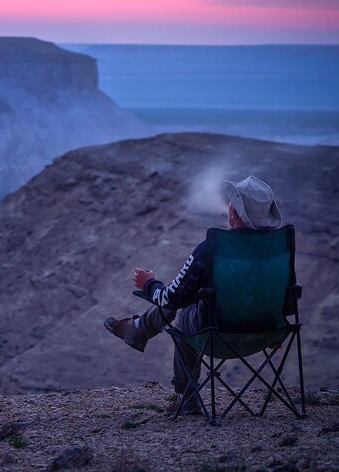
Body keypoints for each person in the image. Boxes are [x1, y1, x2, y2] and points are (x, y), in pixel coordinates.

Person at [103, 175, 283, 416]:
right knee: (195, 297)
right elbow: (287, 296)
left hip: (217, 334)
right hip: (267, 333)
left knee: (184, 307)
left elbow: (171, 299)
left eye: (232, 203)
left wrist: (149, 284)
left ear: (235, 214)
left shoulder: (213, 247)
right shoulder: (279, 248)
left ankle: (185, 394)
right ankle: (137, 329)